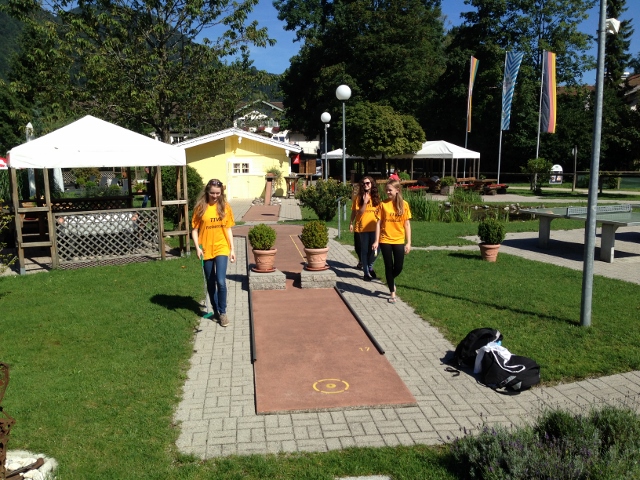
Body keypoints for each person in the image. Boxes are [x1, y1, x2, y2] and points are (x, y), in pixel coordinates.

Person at [191, 179, 236, 327]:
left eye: (218, 193)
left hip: (221, 247)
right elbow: (194, 230)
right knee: (210, 282)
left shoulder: (225, 207)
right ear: (207, 192)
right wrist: (197, 247)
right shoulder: (200, 208)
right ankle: (215, 310)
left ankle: (223, 313)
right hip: (205, 248)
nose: (215, 196)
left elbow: (228, 228)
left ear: (221, 192)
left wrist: (232, 249)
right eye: (212, 193)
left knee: (221, 281)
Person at [372, 179, 412, 303]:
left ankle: (390, 279)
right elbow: (378, 223)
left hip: (399, 239)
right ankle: (392, 293)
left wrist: (408, 242)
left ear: (397, 190)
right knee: (388, 266)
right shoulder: (383, 204)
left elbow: (407, 224)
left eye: (390, 190)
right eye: (386, 190)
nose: (387, 192)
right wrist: (376, 241)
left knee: (398, 267)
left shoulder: (404, 204)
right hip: (385, 240)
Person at [349, 176, 380, 281]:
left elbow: (380, 213)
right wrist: (365, 202)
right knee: (364, 251)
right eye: (364, 183)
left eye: (368, 183)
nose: (366, 185)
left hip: (375, 227)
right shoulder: (359, 198)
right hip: (363, 228)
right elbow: (359, 213)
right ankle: (366, 273)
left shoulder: (376, 197)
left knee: (376, 250)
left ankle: (370, 266)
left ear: (372, 184)